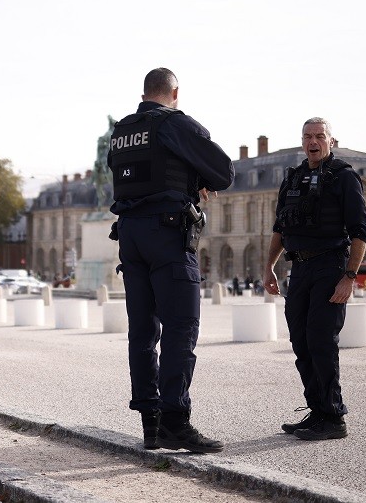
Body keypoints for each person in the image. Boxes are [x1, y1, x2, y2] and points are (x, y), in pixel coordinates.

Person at [106, 68, 234, 453]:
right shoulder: (176, 124)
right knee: (181, 327)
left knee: (143, 331)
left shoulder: (122, 130)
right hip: (167, 235)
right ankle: (175, 421)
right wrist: (195, 181)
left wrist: (188, 179)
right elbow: (225, 172)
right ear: (174, 92)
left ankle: (151, 423)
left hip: (130, 235)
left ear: (144, 92)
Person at [264, 117, 366, 441]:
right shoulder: (293, 178)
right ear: (302, 142)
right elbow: (280, 229)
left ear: (331, 141)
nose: (313, 141)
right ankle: (318, 410)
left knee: (321, 341)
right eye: (308, 136)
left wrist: (349, 277)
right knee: (301, 341)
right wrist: (268, 267)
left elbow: (360, 233)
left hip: (330, 266)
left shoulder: (344, 178)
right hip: (301, 269)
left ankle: (334, 416)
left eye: (319, 136)